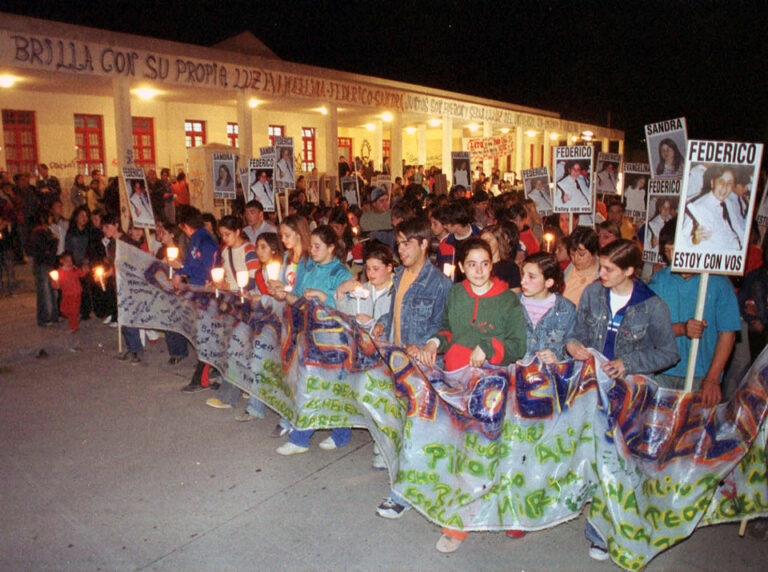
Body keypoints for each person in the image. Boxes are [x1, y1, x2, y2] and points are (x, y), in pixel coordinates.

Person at [566, 239, 679, 561]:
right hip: (592, 388)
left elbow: (669, 353)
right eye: (601, 266)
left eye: (608, 269)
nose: (600, 273)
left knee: (617, 462)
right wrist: (573, 345)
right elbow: (576, 333)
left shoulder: (653, 306)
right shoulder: (592, 294)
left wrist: (628, 363)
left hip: (629, 394)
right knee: (593, 453)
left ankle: (602, 533)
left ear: (629, 270)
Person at [413, 237, 526, 553]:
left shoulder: (508, 300)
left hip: (493, 387)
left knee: (495, 450)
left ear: (492, 264)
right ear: (461, 267)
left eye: (485, 264)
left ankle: (509, 510)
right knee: (462, 451)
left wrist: (489, 347)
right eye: (472, 264)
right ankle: (459, 521)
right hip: (456, 383)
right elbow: (448, 329)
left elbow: (519, 345)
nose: (479, 270)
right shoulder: (456, 293)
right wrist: (435, 342)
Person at [373, 217, 452, 519]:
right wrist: (382, 324)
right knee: (405, 430)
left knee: (415, 433)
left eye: (407, 243)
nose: (401, 249)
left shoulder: (439, 284)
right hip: (396, 364)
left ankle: (401, 496)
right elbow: (397, 314)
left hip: (421, 371)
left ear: (424, 244)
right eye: (399, 243)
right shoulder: (400, 276)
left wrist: (426, 345)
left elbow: (444, 327)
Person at [272, 225, 353, 455]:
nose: (313, 250)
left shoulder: (341, 274)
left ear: (331, 248)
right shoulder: (308, 268)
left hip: (333, 338)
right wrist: (284, 293)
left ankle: (340, 433)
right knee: (308, 384)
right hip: (308, 334)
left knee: (333, 387)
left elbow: (348, 309)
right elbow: (298, 298)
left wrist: (324, 297)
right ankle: (301, 437)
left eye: (318, 246)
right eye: (312, 246)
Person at [649, 218, 740, 405]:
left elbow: (728, 334)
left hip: (702, 375)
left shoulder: (719, 283)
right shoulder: (659, 280)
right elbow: (649, 329)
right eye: (667, 251)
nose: (672, 257)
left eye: (676, 250)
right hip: (662, 371)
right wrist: (682, 328)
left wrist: (712, 378)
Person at [205, 215, 261, 411]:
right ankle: (243, 385)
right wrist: (217, 284)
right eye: (221, 235)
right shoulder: (225, 250)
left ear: (238, 231)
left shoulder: (249, 250)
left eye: (227, 234)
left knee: (237, 347)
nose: (224, 238)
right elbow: (225, 274)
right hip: (231, 304)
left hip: (246, 305)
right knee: (234, 345)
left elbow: (252, 281)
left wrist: (228, 285)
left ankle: (229, 395)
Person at [236, 231, 285, 423]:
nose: (259, 251)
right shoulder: (260, 272)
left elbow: (283, 298)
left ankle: (269, 407)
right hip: (265, 322)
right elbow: (260, 293)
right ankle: (256, 406)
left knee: (264, 360)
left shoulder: (282, 270)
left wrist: (262, 298)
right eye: (257, 247)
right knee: (254, 357)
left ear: (274, 249)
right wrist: (250, 295)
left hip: (281, 324)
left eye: (263, 247)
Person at [174, 207, 219, 392]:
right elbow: (191, 263)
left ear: (185, 225)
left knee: (205, 335)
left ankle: (201, 379)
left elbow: (208, 271)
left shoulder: (206, 240)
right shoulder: (197, 239)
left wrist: (182, 270)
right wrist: (181, 271)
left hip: (206, 294)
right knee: (202, 335)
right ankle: (206, 374)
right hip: (196, 292)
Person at [519, 252, 577, 363]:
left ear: (548, 282)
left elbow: (572, 345)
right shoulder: (512, 303)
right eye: (523, 274)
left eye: (531, 277)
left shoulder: (566, 310)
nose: (523, 281)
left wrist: (557, 357)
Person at [682, 165, 746, 251]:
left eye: (729, 183)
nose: (724, 187)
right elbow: (682, 242)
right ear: (712, 183)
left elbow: (738, 229)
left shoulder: (728, 203)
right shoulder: (698, 208)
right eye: (721, 181)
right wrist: (694, 240)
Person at [29, 211, 59, 327]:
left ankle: (52, 316)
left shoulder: (45, 231)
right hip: (43, 264)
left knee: (51, 290)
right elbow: (45, 249)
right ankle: (46, 317)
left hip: (48, 263)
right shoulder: (39, 232)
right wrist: (54, 241)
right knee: (45, 291)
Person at [562, 226, 600, 307]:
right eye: (572, 254)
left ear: (594, 253)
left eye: (581, 255)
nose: (576, 259)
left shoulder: (603, 278)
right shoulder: (562, 269)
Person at [52, 250, 87, 333]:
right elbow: (55, 285)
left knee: (73, 310)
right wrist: (56, 284)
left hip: (76, 293)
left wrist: (85, 270)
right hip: (66, 294)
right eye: (67, 261)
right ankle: (74, 317)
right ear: (62, 261)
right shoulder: (59, 272)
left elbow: (81, 274)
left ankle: (73, 327)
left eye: (71, 261)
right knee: (63, 309)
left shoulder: (74, 269)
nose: (70, 263)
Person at [480, 222, 521, 290]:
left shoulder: (511, 268)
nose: (485, 244)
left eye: (488, 240)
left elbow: (515, 293)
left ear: (499, 242)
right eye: (482, 242)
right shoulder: (478, 267)